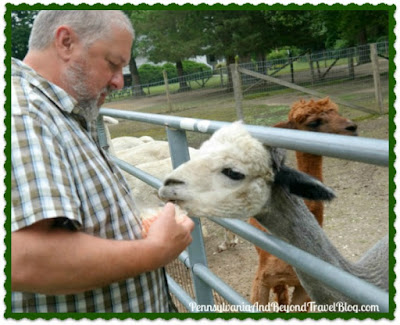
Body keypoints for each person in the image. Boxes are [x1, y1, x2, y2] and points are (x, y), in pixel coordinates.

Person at [11, 10, 195, 313]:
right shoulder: (25, 114)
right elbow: (24, 259)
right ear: (66, 42)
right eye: (112, 64)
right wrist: (154, 251)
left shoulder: (58, 112)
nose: (118, 81)